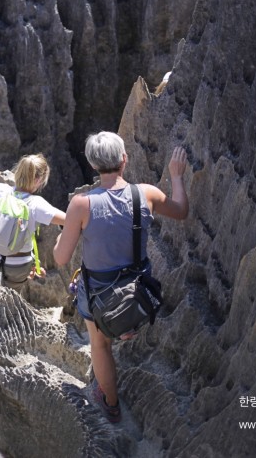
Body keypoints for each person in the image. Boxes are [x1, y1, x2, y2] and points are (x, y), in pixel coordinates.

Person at [54, 132, 189, 423]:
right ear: (124, 159)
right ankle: (128, 326)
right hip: (140, 291)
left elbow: (61, 258)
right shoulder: (147, 194)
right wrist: (176, 176)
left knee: (100, 345)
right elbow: (181, 211)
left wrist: (58, 241)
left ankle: (110, 404)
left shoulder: (81, 204)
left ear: (92, 164)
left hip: (99, 296)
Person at [0, 154, 66, 289]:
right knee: (13, 290)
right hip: (18, 265)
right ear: (39, 180)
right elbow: (68, 220)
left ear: (18, 172)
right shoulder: (37, 204)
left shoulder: (1, 190)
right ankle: (10, 296)